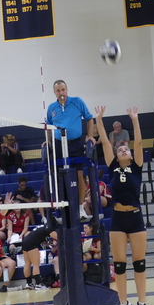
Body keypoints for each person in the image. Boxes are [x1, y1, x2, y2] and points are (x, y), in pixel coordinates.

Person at [95, 105, 150, 305]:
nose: (124, 150)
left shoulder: (137, 166)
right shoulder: (112, 167)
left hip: (135, 217)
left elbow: (137, 142)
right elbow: (106, 142)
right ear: (117, 156)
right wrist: (99, 119)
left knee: (140, 263)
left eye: (125, 149)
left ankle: (142, 304)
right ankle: (123, 304)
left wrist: (134, 120)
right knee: (119, 265)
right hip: (118, 219)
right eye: (121, 150)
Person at [43, 79, 95, 219]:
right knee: (61, 177)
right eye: (58, 90)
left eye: (63, 90)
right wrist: (48, 141)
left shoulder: (77, 102)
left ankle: (80, 208)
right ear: (54, 92)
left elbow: (89, 118)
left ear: (67, 90)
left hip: (76, 143)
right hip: (59, 144)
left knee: (79, 176)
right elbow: (48, 126)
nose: (61, 93)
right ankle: (62, 208)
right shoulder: (52, 108)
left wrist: (89, 136)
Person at [21, 218, 58, 290]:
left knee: (27, 263)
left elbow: (38, 237)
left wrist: (48, 243)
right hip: (32, 244)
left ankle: (29, 283)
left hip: (25, 241)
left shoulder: (43, 227)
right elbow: (58, 237)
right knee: (36, 264)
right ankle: (38, 284)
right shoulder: (49, 228)